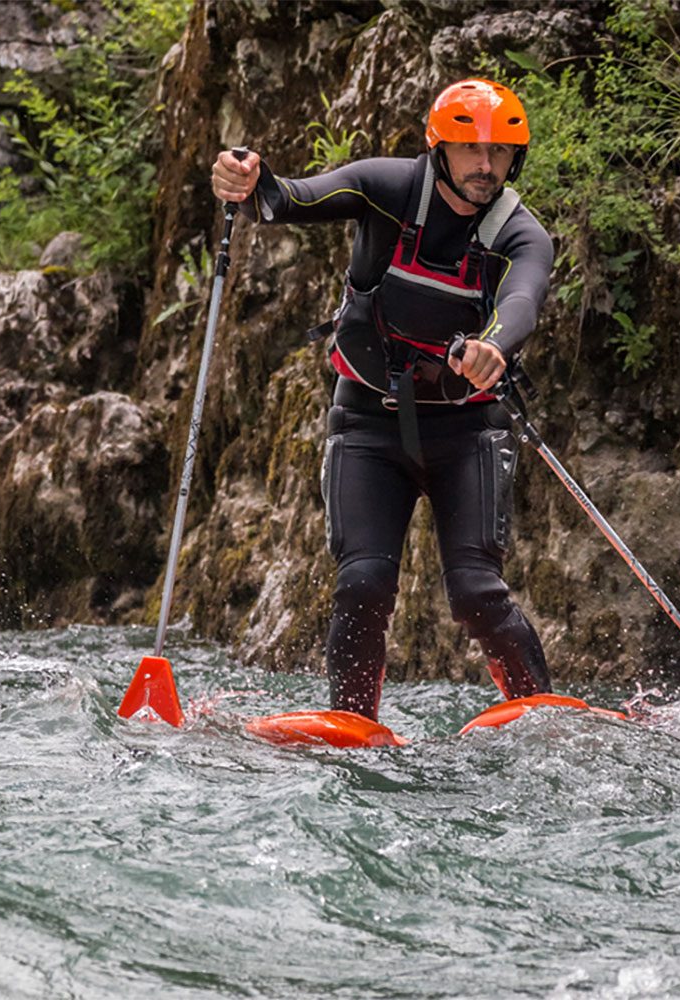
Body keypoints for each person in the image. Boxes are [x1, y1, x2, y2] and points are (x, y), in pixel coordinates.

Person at [211, 79, 555, 721]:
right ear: (440, 148)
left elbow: (521, 300)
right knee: (362, 584)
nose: (486, 165)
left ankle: (541, 716)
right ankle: (353, 723)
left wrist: (493, 346)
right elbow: (289, 198)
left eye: (501, 153)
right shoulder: (387, 187)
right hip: (368, 421)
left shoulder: (521, 234)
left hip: (468, 429)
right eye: (471, 149)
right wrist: (248, 178)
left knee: (478, 594)